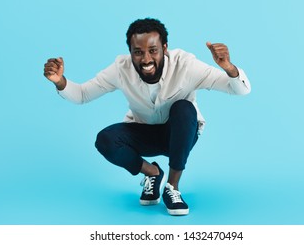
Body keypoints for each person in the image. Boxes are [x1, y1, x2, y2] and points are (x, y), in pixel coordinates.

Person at [43, 18, 251, 216]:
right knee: (105, 140)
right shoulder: (120, 69)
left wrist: (228, 68)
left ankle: (172, 187)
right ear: (130, 53)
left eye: (153, 51)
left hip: (180, 133)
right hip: (144, 133)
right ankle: (152, 173)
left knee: (184, 108)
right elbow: (82, 94)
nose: (146, 59)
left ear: (165, 49)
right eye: (138, 52)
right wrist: (60, 81)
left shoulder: (186, 65)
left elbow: (240, 90)